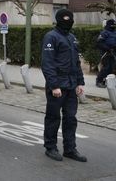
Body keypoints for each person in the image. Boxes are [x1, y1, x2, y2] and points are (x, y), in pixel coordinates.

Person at [41, 9, 87, 162]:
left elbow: (76, 63)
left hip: (71, 86)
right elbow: (47, 64)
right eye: (64, 19)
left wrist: (80, 82)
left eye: (70, 19)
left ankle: (70, 149)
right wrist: (54, 85)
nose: (68, 21)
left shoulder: (72, 38)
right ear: (58, 19)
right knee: (53, 118)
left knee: (70, 118)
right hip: (57, 87)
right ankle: (50, 147)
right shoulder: (51, 37)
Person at [95, 19, 116, 88]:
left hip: (113, 52)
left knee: (111, 68)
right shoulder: (104, 33)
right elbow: (99, 43)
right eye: (112, 25)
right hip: (106, 52)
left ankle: (107, 81)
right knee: (106, 67)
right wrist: (107, 48)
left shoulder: (114, 32)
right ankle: (99, 81)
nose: (113, 26)